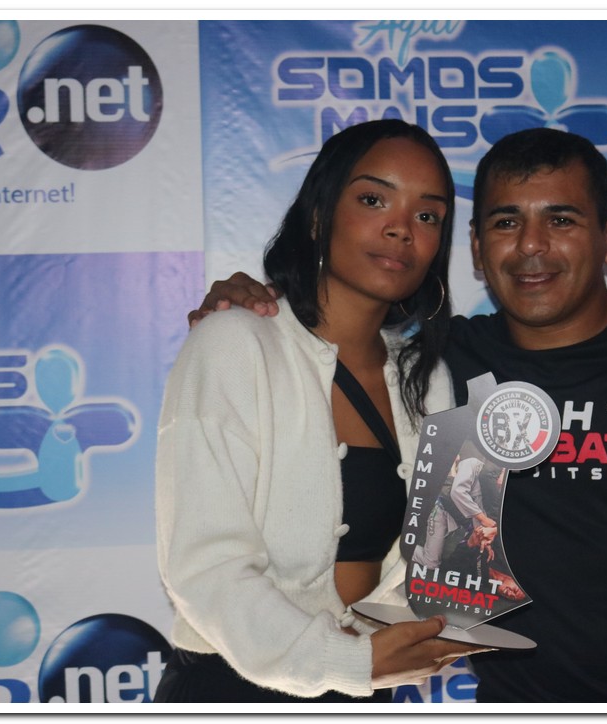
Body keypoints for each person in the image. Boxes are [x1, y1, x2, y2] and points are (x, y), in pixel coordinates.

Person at [189, 127, 607, 702]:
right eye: (506, 222)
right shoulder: (436, 365)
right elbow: (322, 340)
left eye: (561, 220)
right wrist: (248, 309)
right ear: (477, 248)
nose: (531, 245)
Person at [154, 119, 491, 703]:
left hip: (370, 686)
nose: (401, 228)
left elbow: (450, 556)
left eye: (427, 215)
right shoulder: (233, 343)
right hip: (235, 689)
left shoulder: (430, 379)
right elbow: (204, 567)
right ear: (317, 214)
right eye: (373, 199)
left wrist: (433, 627)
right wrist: (342, 662)